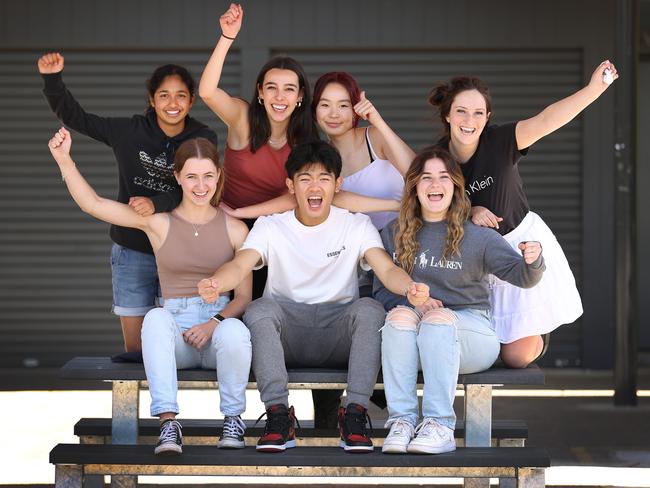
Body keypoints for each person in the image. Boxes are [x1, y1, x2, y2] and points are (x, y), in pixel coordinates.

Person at [198, 140, 429, 453]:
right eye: (305, 178)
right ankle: (279, 416)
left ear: (338, 184)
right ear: (290, 185)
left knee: (371, 309)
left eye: (324, 178)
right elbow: (241, 264)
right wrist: (216, 281)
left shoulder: (356, 224)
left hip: (337, 333)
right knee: (259, 308)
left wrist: (409, 287)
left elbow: (386, 269)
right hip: (286, 336)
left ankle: (355, 414)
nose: (315, 186)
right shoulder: (270, 226)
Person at [48, 130, 252, 455]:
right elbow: (94, 204)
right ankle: (169, 425)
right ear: (177, 177)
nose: (201, 186)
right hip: (176, 339)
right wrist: (64, 160)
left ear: (219, 176)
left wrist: (213, 323)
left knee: (236, 331)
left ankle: (232, 420)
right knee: (155, 318)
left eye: (208, 176)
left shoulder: (235, 228)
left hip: (217, 336)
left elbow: (243, 298)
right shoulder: (159, 223)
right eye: (192, 177)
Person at [428, 60, 618, 367]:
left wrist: (594, 88)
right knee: (480, 350)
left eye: (478, 112)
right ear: (447, 115)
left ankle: (536, 333)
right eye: (461, 111)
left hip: (519, 250)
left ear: (487, 117)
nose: (469, 120)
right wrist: (469, 210)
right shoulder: (437, 159)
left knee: (515, 357)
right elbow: (427, 202)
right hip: (473, 259)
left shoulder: (501, 141)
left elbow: (546, 120)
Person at [38, 53, 219, 353]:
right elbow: (77, 118)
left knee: (176, 345)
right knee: (136, 350)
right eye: (164, 95)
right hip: (132, 249)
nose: (172, 104)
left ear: (191, 102)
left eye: (181, 96)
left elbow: (200, 188)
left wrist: (158, 202)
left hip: (179, 250)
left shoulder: (202, 136)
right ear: (151, 99)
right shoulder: (128, 131)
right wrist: (52, 79)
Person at [374, 147, 545, 454]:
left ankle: (440, 425)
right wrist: (412, 301)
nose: (434, 184)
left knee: (437, 321)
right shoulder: (395, 232)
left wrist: (534, 261)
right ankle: (402, 421)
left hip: (471, 332)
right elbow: (381, 290)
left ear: (455, 186)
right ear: (413, 186)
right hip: (418, 333)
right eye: (426, 177)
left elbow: (523, 277)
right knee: (397, 318)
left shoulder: (476, 235)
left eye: (443, 177)